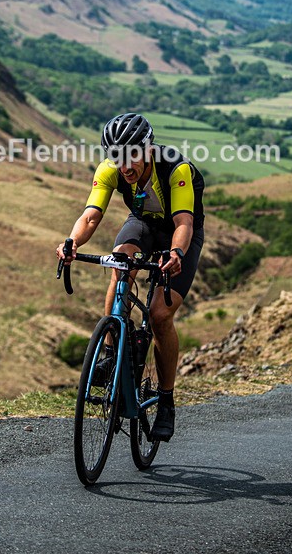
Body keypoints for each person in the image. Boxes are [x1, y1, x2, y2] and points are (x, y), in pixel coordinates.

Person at [57, 112, 205, 442]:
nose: (125, 166)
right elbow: (91, 216)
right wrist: (71, 242)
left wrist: (176, 254)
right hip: (143, 224)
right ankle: (110, 353)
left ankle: (166, 402)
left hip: (181, 233)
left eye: (132, 156)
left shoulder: (175, 168)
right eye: (117, 157)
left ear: (147, 149)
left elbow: (184, 224)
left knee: (158, 315)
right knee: (120, 265)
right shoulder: (110, 170)